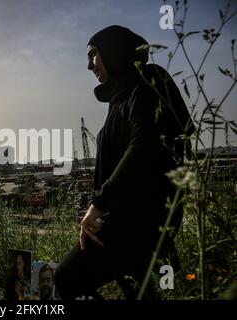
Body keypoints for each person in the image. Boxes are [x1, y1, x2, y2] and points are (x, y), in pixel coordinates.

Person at [54, 25, 195, 300]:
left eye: (93, 54)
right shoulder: (120, 95)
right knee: (140, 291)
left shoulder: (147, 81)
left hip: (138, 219)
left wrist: (98, 205)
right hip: (125, 216)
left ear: (114, 50)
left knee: (66, 278)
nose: (88, 65)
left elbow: (143, 147)